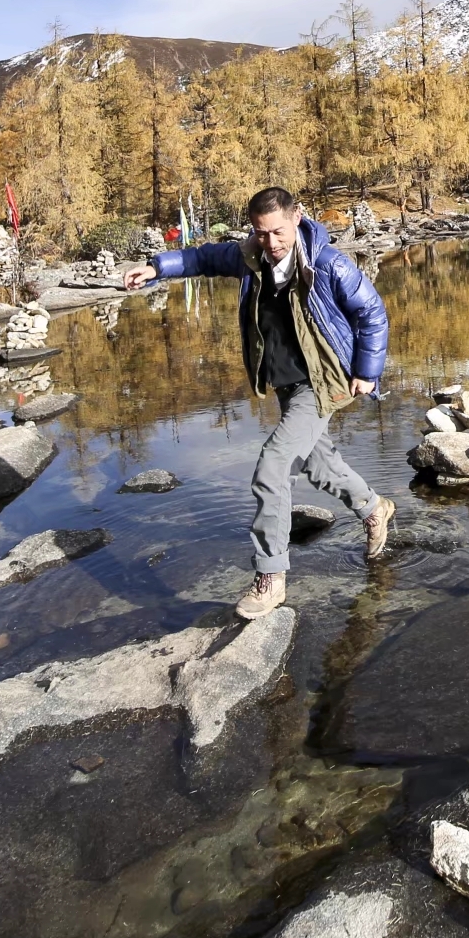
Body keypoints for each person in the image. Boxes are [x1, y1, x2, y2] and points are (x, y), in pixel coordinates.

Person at [124, 186, 394, 618]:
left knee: (273, 465)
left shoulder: (328, 264)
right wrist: (157, 268)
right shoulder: (251, 256)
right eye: (261, 232)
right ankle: (373, 507)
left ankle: (271, 577)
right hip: (287, 383)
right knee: (318, 463)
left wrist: (367, 372)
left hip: (323, 382)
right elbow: (202, 258)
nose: (271, 243)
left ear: (298, 217)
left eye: (278, 232)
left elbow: (371, 313)